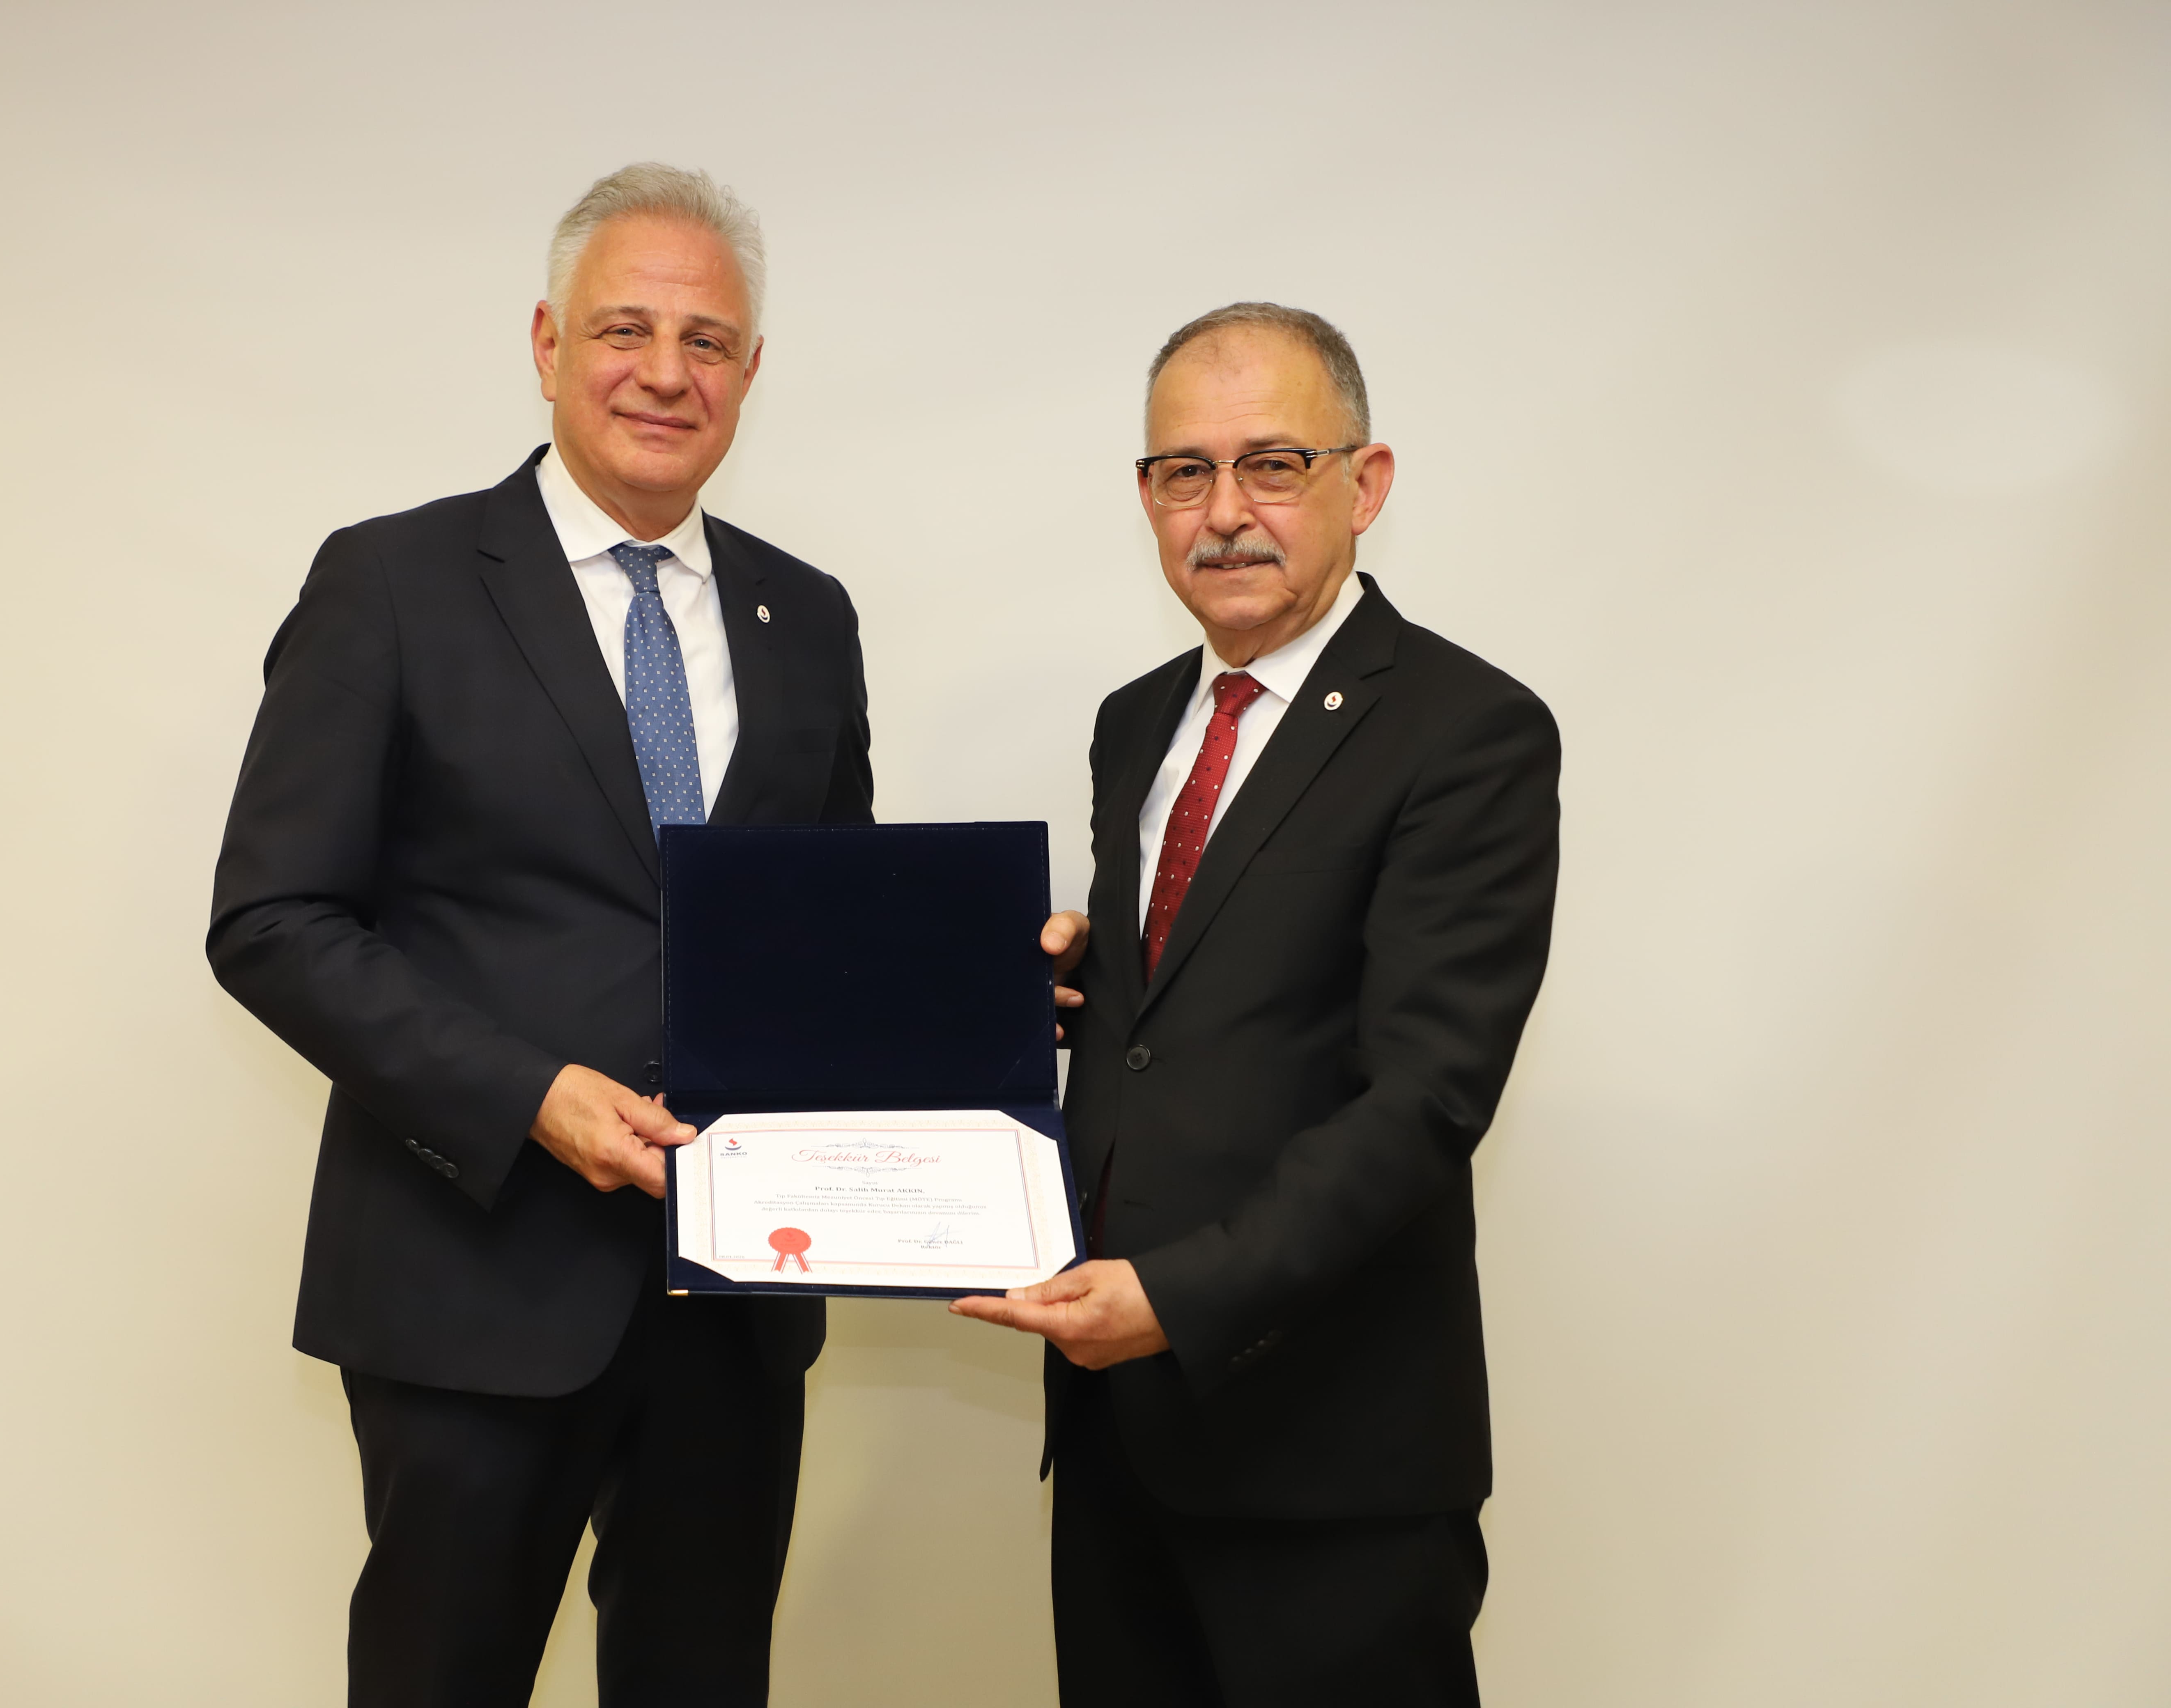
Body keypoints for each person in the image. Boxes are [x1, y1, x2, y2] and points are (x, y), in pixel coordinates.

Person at [207, 164, 871, 1707]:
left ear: (751, 373)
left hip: (735, 1295)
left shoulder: (808, 616)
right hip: (472, 1281)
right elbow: (273, 919)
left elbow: (828, 925)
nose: (666, 372)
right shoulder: (392, 581)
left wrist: (985, 980)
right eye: (626, 329)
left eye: (708, 342)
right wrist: (529, 1096)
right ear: (548, 342)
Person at [955, 302, 1560, 1705]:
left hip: (1330, 1459)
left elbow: (1426, 1098)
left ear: (1368, 482)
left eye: (1272, 465)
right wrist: (1059, 990)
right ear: (1148, 497)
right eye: (1185, 472)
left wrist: (1177, 1297)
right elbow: (1192, 1007)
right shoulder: (1136, 722)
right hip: (1116, 1438)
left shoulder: (1469, 731)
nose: (1225, 513)